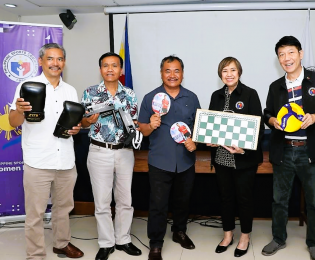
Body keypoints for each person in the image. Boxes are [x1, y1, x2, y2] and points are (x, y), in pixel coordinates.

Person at [262, 36, 315, 260]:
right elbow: (266, 113)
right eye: (281, 55)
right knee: (279, 200)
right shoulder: (275, 86)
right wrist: (271, 121)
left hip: (311, 151)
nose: (286, 58)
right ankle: (278, 239)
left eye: (291, 53)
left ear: (301, 53)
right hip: (283, 150)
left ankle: (314, 242)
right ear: (278, 59)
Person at [9, 43, 84, 260]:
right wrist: (20, 111)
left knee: (63, 209)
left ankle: (61, 244)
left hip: (65, 161)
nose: (55, 63)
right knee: (35, 214)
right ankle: (35, 255)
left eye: (59, 59)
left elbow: (73, 123)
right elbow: (14, 122)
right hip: (38, 160)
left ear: (64, 62)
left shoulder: (70, 90)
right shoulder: (27, 85)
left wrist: (76, 128)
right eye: (50, 59)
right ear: (41, 61)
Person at [138, 55, 200, 260]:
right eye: (167, 70)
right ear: (161, 73)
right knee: (158, 204)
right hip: (160, 160)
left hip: (185, 160)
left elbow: (198, 129)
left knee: (183, 201)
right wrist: (150, 125)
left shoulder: (191, 98)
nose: (172, 75)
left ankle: (179, 232)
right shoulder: (150, 98)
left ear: (182, 73)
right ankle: (155, 243)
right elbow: (143, 131)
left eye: (176, 71)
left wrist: (195, 142)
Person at [80, 52, 141, 260]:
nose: (110, 69)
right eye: (105, 65)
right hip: (99, 151)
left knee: (125, 200)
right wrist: (89, 120)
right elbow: (83, 122)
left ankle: (123, 240)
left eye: (114, 65)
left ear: (121, 70)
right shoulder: (90, 92)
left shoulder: (130, 94)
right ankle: (106, 243)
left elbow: (134, 123)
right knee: (102, 201)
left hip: (124, 152)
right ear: (100, 69)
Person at [207, 57, 264, 257]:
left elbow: (258, 127)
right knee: (226, 198)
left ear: (239, 72)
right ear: (220, 74)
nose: (229, 74)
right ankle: (228, 234)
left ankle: (245, 236)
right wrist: (210, 139)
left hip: (244, 158)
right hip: (222, 156)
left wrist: (244, 149)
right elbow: (211, 125)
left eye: (232, 70)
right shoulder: (216, 96)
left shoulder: (250, 94)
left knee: (244, 199)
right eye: (224, 71)